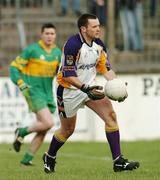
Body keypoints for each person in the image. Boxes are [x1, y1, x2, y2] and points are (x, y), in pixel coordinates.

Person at [42, 13, 140, 173]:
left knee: (111, 117)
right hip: (69, 91)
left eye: (99, 25)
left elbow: (106, 69)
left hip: (89, 88)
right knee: (67, 130)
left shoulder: (99, 45)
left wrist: (118, 85)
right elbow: (68, 74)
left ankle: (118, 162)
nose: (98, 29)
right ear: (83, 29)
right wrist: (85, 88)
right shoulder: (73, 45)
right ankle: (50, 156)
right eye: (94, 26)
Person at [10, 23, 61, 165]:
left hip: (48, 94)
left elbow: (61, 73)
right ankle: (21, 132)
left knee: (44, 128)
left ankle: (26, 160)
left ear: (55, 35)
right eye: (47, 33)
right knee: (48, 122)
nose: (50, 36)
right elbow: (14, 67)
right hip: (33, 91)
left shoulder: (57, 53)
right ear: (41, 34)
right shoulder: (32, 50)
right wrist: (20, 82)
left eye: (52, 34)